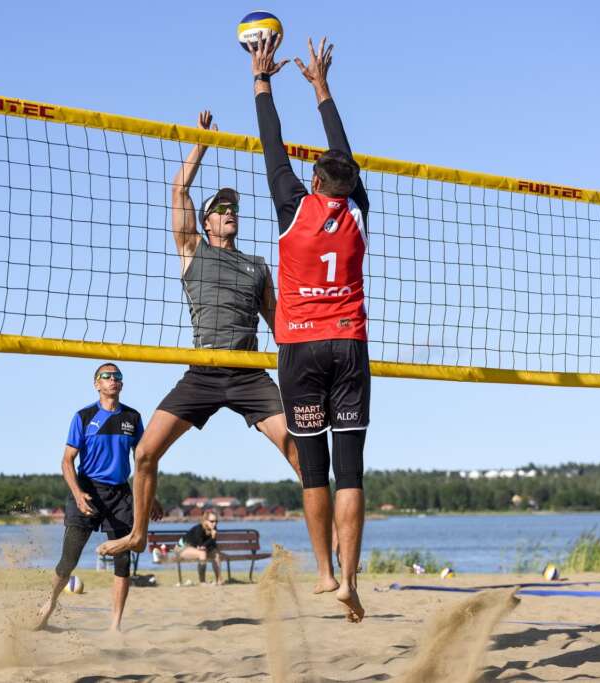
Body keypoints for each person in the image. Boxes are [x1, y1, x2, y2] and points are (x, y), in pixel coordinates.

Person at [97, 111, 302, 558]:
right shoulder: (193, 249)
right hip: (204, 371)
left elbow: (280, 325)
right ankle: (137, 535)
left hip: (248, 373)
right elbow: (179, 190)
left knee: (301, 453)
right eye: (221, 209)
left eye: (234, 210)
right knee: (146, 453)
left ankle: (329, 550)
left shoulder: (258, 266)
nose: (230, 213)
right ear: (207, 222)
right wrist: (201, 143)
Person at [249, 35, 371, 623]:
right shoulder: (357, 210)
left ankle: (324, 573)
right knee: (350, 469)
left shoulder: (291, 204)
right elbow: (344, 152)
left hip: (300, 346)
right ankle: (350, 577)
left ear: (315, 182)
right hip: (349, 344)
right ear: (349, 185)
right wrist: (322, 88)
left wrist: (262, 81)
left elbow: (272, 146)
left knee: (314, 468)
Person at [35, 362, 158, 632]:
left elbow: (144, 462)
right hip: (88, 490)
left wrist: (151, 498)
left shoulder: (133, 418)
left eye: (117, 376)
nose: (113, 380)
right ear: (96, 384)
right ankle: (49, 605)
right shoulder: (83, 416)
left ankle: (115, 626)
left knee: (123, 563)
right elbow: (67, 461)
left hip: (121, 494)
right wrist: (78, 494)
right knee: (68, 561)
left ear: (122, 384)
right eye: (107, 376)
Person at [173, 511, 224, 585]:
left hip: (194, 549)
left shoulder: (213, 529)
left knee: (216, 554)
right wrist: (213, 538)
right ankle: (202, 582)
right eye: (212, 521)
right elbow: (201, 547)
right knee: (202, 554)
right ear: (205, 521)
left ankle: (219, 580)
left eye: (216, 521)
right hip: (181, 548)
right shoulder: (199, 529)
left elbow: (212, 546)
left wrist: (213, 544)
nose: (214, 523)